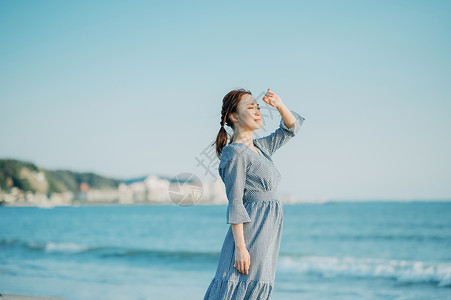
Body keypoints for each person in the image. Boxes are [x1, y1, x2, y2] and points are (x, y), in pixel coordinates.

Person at [203, 88, 305, 299]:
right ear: (233, 116)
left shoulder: (261, 147)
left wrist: (279, 105)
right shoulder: (235, 153)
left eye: (258, 107)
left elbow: (291, 128)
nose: (258, 111)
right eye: (250, 107)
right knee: (242, 283)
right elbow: (235, 202)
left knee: (257, 283)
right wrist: (240, 247)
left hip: (268, 227)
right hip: (252, 229)